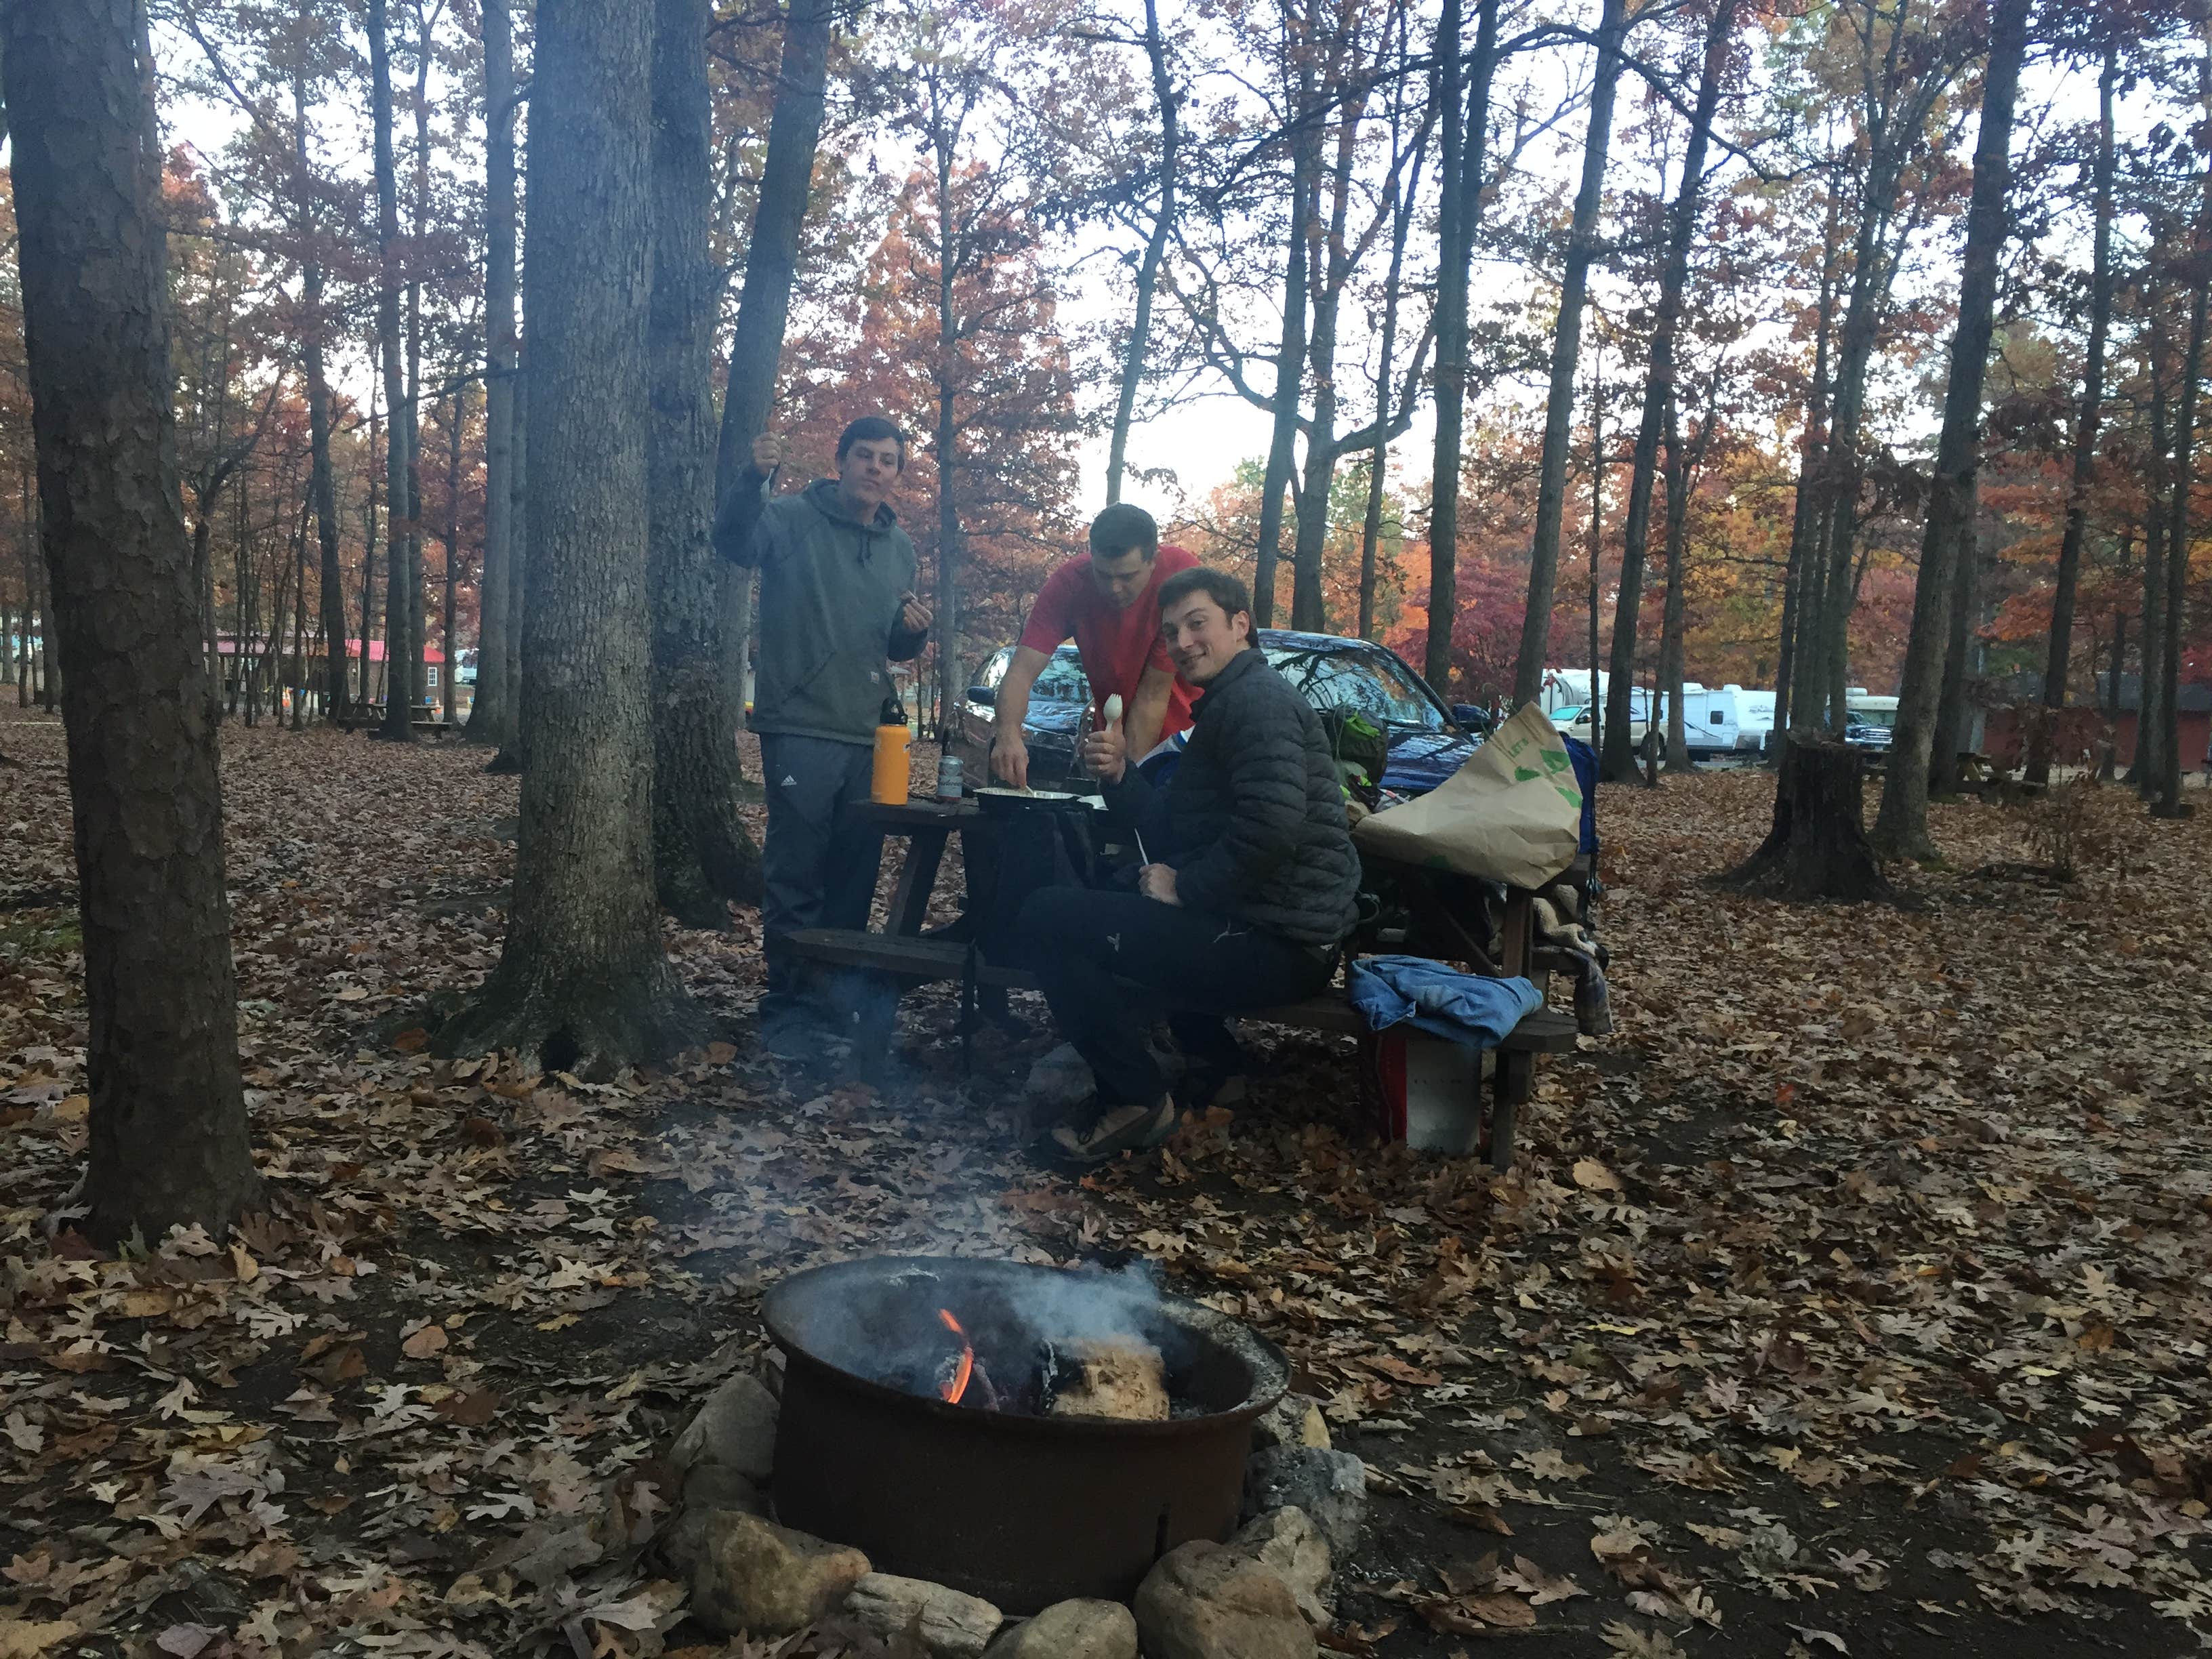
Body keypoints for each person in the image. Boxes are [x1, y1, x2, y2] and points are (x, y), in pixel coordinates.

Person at [1013, 568, 1361, 1164]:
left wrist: (1187, 885)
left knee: (1048, 917)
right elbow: (1171, 825)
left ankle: (1135, 1099)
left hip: (1279, 942)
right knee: (1110, 898)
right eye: (1172, 632)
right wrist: (1122, 774)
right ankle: (1215, 1065)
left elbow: (1273, 827)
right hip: (1259, 923)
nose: (1182, 642)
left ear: (1240, 626)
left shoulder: (1258, 704)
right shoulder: (1227, 705)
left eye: (1197, 624)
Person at [714, 416, 933, 1054]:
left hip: (871, 733)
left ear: (896, 473)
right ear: (841, 460)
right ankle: (788, 1006)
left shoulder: (900, 548)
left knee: (854, 871)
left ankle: (835, 998)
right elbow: (732, 542)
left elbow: (889, 642)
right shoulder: (787, 518)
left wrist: (913, 631)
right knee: (796, 870)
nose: (875, 468)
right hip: (800, 723)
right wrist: (751, 478)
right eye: (863, 455)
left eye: (888, 460)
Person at [991, 503, 1199, 789]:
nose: (1114, 588)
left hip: (1188, 744)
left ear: (1153, 561)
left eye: (1127, 577)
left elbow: (1153, 694)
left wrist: (1131, 784)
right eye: (1103, 575)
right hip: (1112, 744)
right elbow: (1022, 670)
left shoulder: (1179, 576)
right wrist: (1008, 734)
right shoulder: (1069, 584)